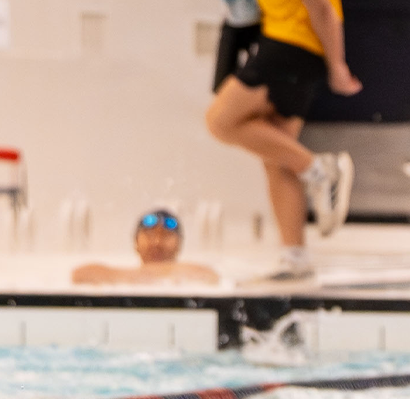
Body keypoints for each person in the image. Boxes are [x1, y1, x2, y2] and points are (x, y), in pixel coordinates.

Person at [204, 0, 358, 283]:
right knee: (278, 158)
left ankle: (321, 170)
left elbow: (322, 7)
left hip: (291, 45)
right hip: (294, 46)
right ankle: (295, 256)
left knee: (219, 121)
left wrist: (337, 65)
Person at [71, 210, 220, 286]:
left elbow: (209, 276)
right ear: (136, 242)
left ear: (179, 245)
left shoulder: (198, 273)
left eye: (167, 235)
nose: (157, 242)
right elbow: (79, 274)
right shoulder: (184, 277)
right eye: (149, 235)